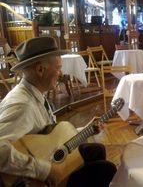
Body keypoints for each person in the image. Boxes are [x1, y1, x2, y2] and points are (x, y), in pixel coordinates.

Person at [0, 36, 116, 187]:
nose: (60, 73)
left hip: (44, 157)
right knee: (106, 169)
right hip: (30, 180)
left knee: (95, 151)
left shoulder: (35, 93)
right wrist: (44, 171)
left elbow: (50, 137)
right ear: (40, 70)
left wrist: (87, 130)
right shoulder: (22, 104)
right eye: (58, 68)